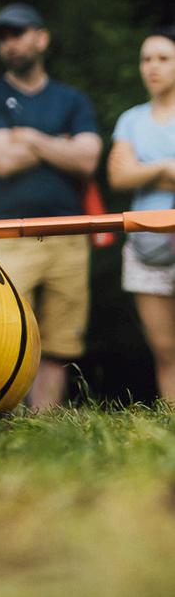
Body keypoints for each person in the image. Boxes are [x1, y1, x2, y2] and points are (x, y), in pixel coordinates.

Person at [0, 4, 101, 409]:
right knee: (10, 333)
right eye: (2, 37)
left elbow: (88, 160)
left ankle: (43, 426)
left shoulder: (73, 99)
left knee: (60, 342)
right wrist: (60, 144)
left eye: (17, 33)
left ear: (41, 38)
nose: (9, 44)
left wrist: (28, 136)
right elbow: (1, 161)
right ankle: (9, 421)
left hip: (70, 233)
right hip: (11, 233)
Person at [107, 27, 175, 402]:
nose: (152, 67)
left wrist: (142, 168)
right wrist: (165, 167)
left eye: (163, 58)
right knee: (164, 348)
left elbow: (131, 171)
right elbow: (118, 176)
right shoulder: (131, 120)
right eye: (146, 59)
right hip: (145, 246)